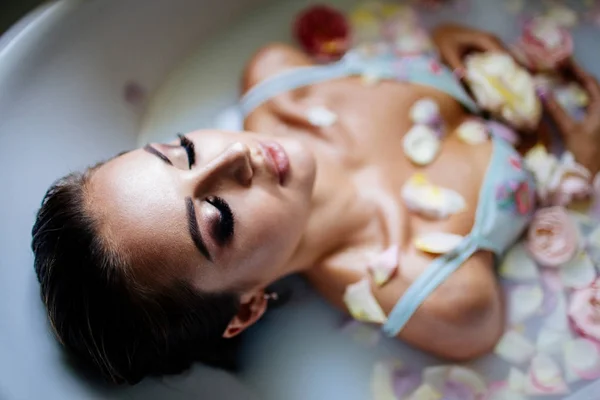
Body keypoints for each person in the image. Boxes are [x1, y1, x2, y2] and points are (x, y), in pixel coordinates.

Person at [31, 23, 600, 384]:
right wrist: (582, 164)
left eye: (180, 150)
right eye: (218, 217)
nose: (233, 160)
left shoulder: (279, 80)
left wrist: (461, 46)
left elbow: (442, 39)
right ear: (249, 308)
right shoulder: (443, 296)